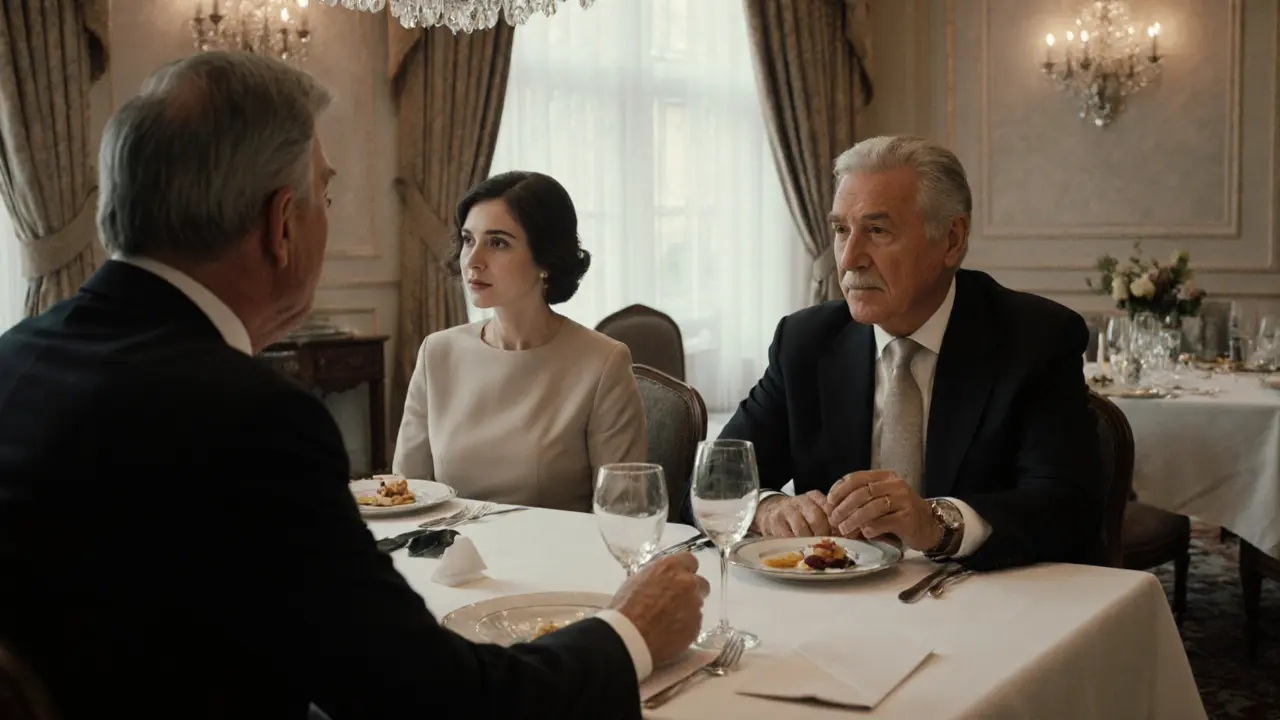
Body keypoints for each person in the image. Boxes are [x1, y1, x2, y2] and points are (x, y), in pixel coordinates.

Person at [0, 52, 708, 719]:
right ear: (283, 225)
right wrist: (628, 632)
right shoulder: (251, 418)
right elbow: (434, 702)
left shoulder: (15, 360)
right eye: (326, 196)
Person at [712, 135, 1103, 571]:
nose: (849, 259)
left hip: (984, 601)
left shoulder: (1035, 338)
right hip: (834, 605)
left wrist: (938, 523)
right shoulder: (806, 340)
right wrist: (767, 509)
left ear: (952, 240)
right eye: (842, 230)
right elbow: (716, 478)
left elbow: (1069, 507)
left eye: (877, 231)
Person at [393, 171, 647, 513]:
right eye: (469, 240)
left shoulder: (603, 363)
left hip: (560, 562)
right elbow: (406, 496)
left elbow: (624, 514)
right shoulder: (437, 353)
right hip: (449, 559)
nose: (473, 260)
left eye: (498, 243)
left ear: (546, 259)